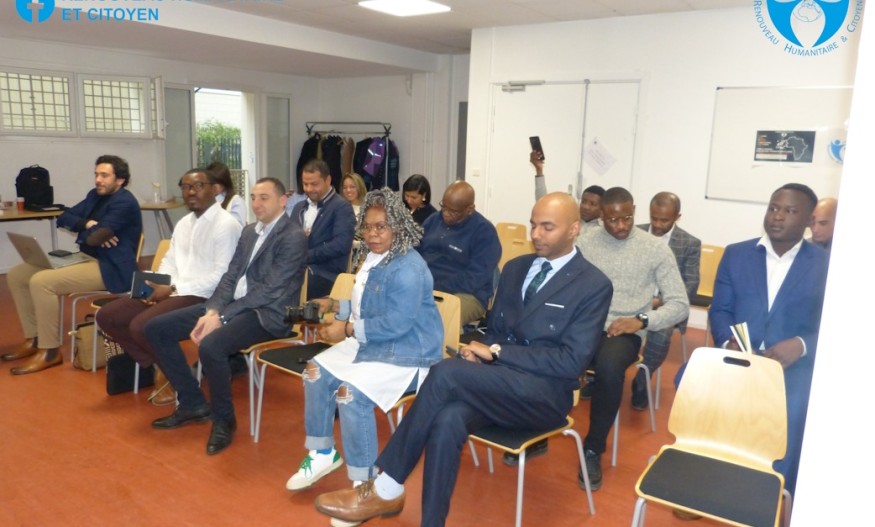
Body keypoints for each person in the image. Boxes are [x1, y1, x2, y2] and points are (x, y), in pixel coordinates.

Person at [313, 192, 612, 527]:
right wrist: (480, 354)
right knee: (447, 420)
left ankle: (386, 486)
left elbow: (571, 362)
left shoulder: (593, 285)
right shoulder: (515, 269)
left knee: (444, 373)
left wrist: (497, 353)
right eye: (533, 225)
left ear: (574, 229)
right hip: (496, 382)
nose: (536, 234)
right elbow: (495, 331)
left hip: (543, 396)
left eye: (547, 227)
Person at [286, 188, 443, 494]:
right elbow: (367, 305)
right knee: (314, 371)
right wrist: (334, 305)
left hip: (409, 353)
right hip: (373, 341)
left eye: (381, 227)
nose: (372, 234)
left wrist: (346, 330)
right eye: (368, 227)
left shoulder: (409, 268)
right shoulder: (373, 256)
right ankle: (322, 453)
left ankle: (365, 484)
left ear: (397, 226)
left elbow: (396, 323)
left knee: (350, 395)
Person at [144, 177, 307, 455]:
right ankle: (193, 402)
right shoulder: (249, 231)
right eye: (253, 197)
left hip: (268, 314)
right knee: (156, 328)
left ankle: (224, 420)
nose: (256, 204)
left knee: (211, 346)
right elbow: (230, 276)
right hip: (234, 305)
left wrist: (221, 317)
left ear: (282, 201)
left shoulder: (293, 236)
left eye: (264, 197)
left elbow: (270, 290)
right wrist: (213, 310)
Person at [704, 183, 827, 495]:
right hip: (739, 358)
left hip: (792, 365)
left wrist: (801, 345)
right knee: (695, 389)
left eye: (789, 211)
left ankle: (773, 493)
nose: (777, 216)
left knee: (795, 408)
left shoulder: (826, 265)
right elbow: (721, 310)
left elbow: (834, 325)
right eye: (773, 208)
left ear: (809, 220)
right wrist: (728, 342)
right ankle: (704, 481)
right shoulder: (736, 254)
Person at [571, 187, 688, 490]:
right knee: (545, 351)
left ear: (634, 211)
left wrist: (642, 321)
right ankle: (538, 428)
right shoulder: (585, 242)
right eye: (612, 220)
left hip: (625, 330)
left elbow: (679, 303)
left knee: (610, 368)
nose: (621, 226)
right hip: (585, 325)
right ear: (601, 216)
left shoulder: (654, 249)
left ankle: (593, 448)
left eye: (627, 218)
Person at [95, 168, 242, 406]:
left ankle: (175, 378)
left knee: (142, 326)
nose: (191, 192)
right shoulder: (184, 223)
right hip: (176, 290)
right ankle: (161, 366)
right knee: (108, 315)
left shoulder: (226, 224)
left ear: (214, 189)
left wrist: (171, 288)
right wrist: (157, 284)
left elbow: (222, 277)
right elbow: (170, 261)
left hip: (205, 296)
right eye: (186, 187)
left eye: (198, 186)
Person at [4, 155, 142, 375]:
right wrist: (88, 224)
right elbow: (63, 217)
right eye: (96, 174)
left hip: (111, 267)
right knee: (17, 275)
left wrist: (92, 232)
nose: (98, 179)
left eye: (104, 175)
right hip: (86, 257)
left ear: (120, 180)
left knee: (41, 282)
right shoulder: (94, 195)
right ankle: (34, 338)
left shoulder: (124, 202)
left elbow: (93, 239)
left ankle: (50, 351)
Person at [630, 191, 701, 410]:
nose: (658, 225)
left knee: (661, 333)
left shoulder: (689, 243)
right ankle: (598, 376)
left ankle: (642, 377)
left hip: (664, 306)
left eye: (665, 220)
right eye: (654, 218)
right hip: (629, 301)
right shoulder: (632, 233)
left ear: (677, 217)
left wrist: (658, 302)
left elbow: (690, 286)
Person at [418, 181, 501, 327]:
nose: (446, 213)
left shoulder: (484, 232)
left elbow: (474, 279)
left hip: (467, 294)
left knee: (442, 318)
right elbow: (415, 254)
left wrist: (435, 287)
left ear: (469, 209)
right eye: (444, 207)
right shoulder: (433, 221)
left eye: (453, 211)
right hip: (427, 286)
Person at [291, 159, 357, 299]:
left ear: (328, 180)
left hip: (326, 274)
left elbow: (341, 245)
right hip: (297, 269)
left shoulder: (342, 207)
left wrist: (305, 256)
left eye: (314, 184)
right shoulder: (298, 208)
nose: (309, 189)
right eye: (305, 184)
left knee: (284, 287)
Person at [532, 151, 604, 229]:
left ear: (602, 209)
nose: (585, 207)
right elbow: (543, 205)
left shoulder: (604, 230)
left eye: (592, 204)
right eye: (583, 202)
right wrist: (539, 171)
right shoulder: (571, 220)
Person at [206, 161, 247, 227]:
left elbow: (237, 227)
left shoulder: (236, 201)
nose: (214, 186)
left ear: (225, 182)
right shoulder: (205, 201)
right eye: (211, 182)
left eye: (217, 182)